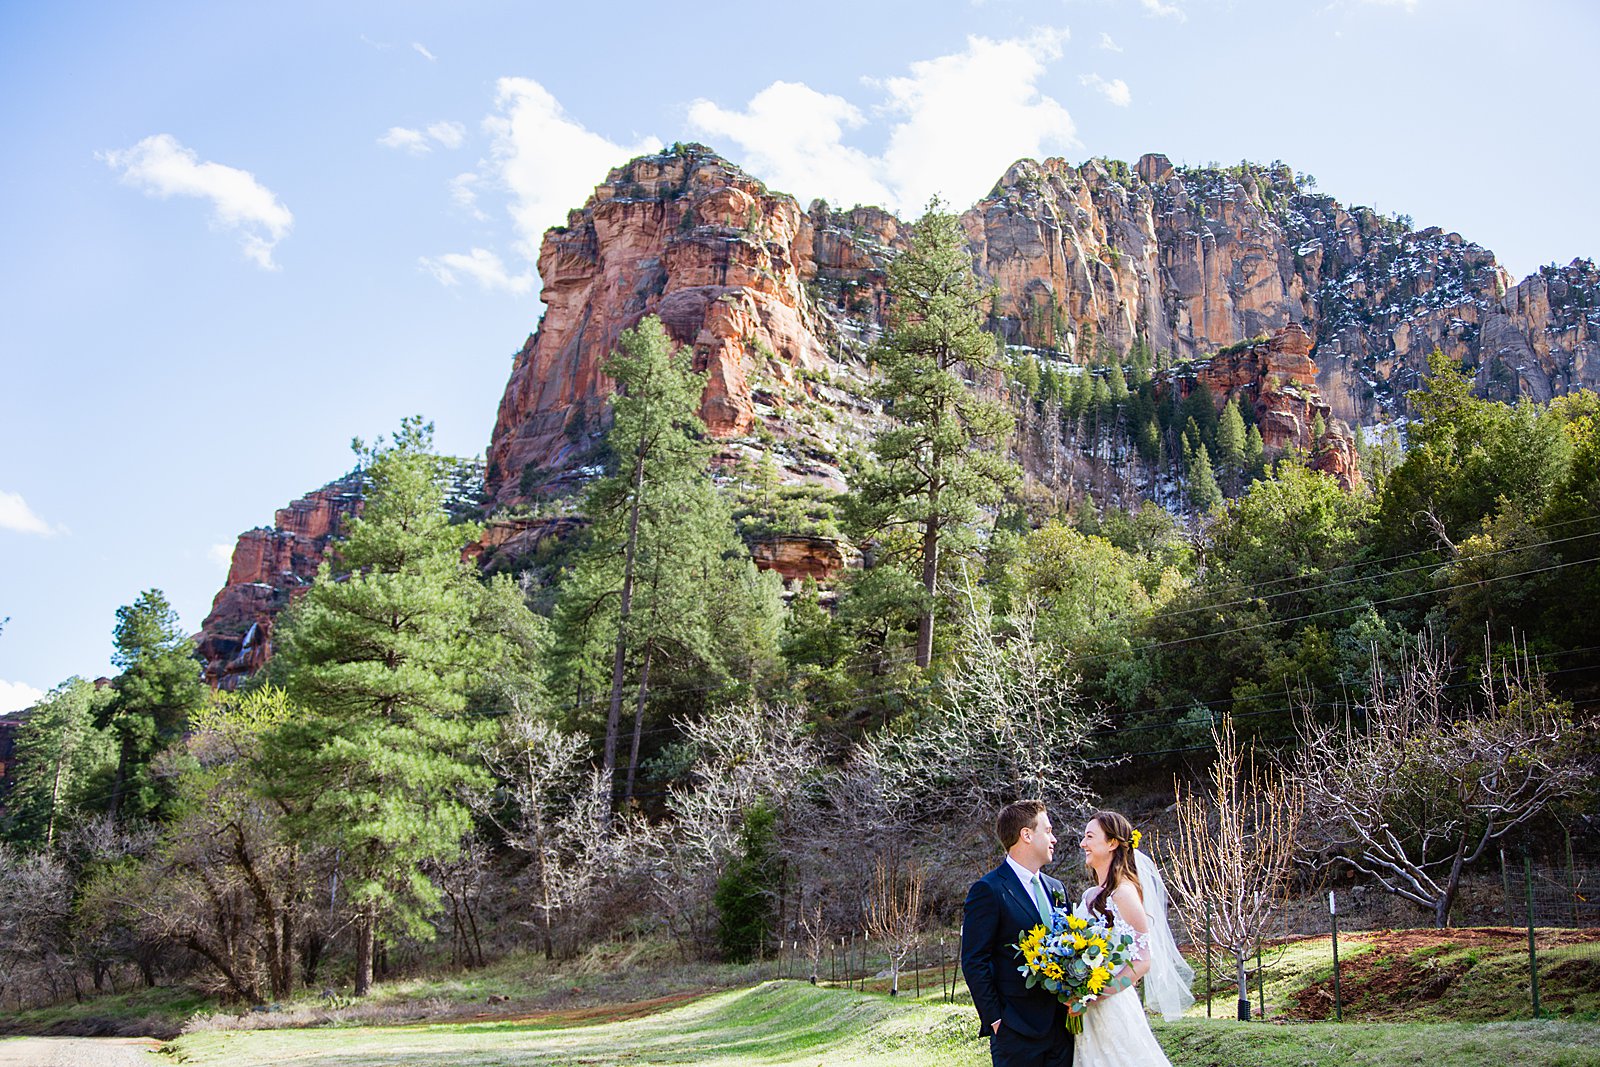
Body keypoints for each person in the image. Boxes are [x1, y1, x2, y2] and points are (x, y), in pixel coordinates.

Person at [1072, 810, 1195, 1067]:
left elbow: (1142, 960)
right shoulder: (1090, 895)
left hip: (1113, 1007)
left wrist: (1099, 993)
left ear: (1112, 843)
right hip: (1086, 1012)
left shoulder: (1124, 894)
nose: (1083, 843)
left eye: (1090, 837)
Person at [961, 799, 1075, 1067]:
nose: (1054, 839)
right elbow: (974, 960)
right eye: (1047, 830)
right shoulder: (988, 889)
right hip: (1016, 1033)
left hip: (1063, 1030)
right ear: (1026, 835)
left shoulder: (1056, 888)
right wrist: (997, 1020)